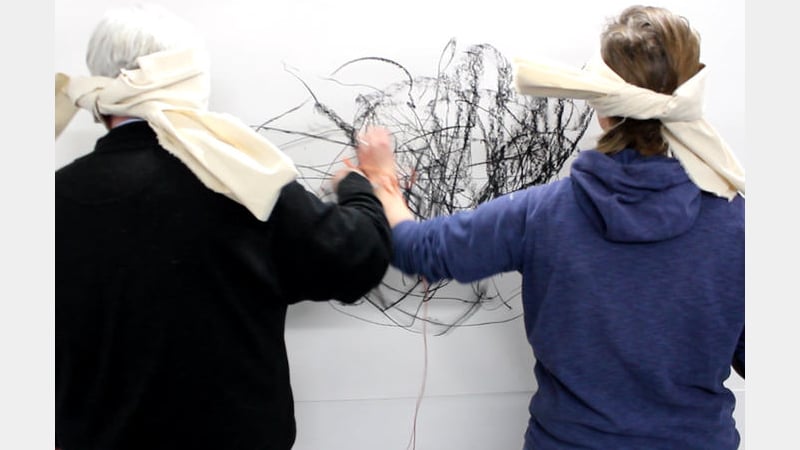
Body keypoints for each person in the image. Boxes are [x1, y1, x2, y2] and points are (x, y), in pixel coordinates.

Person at [355, 5, 744, 450]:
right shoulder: (740, 222)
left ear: (602, 107)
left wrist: (384, 186)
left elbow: (419, 249)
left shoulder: (542, 214)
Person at [55, 4, 391, 450]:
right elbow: (356, 259)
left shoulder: (52, 200)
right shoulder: (241, 180)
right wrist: (362, 186)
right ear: (190, 80)